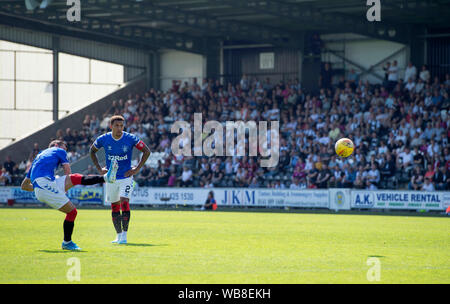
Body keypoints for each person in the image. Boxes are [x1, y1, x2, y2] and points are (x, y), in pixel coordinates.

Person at [20, 140, 113, 251]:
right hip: (45, 185)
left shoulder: (38, 157)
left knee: (74, 178)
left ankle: (105, 178)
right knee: (72, 211)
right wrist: (65, 189)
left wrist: (38, 188)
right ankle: (67, 242)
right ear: (56, 145)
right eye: (65, 147)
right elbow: (67, 171)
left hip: (44, 185)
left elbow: (24, 186)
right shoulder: (59, 150)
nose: (65, 150)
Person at [89, 115, 150, 245]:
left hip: (126, 177)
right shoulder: (103, 139)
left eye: (121, 126)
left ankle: (125, 236)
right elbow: (92, 151)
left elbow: (146, 151)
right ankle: (118, 235)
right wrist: (100, 169)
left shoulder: (130, 138)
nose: (119, 128)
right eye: (116, 126)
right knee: (114, 206)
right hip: (111, 178)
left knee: (124, 202)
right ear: (111, 126)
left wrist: (136, 169)